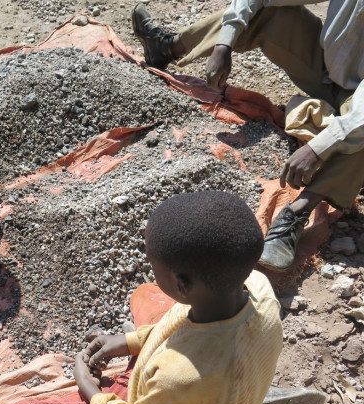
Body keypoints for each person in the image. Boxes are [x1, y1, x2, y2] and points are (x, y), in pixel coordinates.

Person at [0, 191, 323, 404]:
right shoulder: (259, 290)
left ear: (182, 284)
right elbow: (181, 322)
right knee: (147, 295)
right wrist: (131, 341)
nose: (152, 270)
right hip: (209, 384)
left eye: (154, 265)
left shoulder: (180, 378)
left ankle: (156, 394)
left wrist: (91, 390)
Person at [131, 0, 364, 272]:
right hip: (326, 68)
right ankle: (167, 47)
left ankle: (296, 214)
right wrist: (224, 44)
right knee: (271, 13)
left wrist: (318, 148)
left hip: (358, 99)